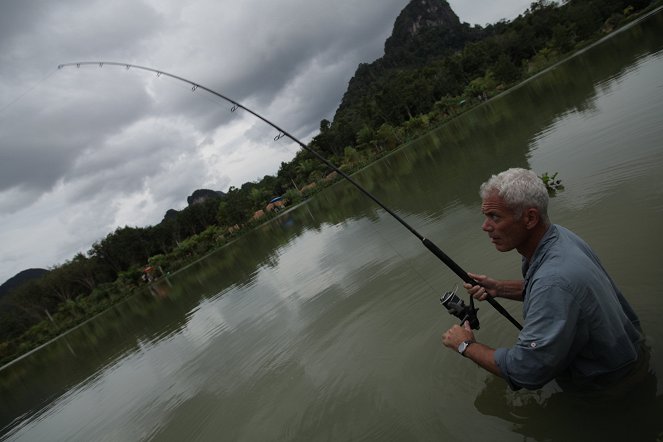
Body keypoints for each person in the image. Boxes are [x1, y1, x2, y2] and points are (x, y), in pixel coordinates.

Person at [442, 168, 644, 392]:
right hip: (629, 354)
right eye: (485, 216)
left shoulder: (553, 282)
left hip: (608, 387)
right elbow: (560, 292)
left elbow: (525, 371)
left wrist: (465, 345)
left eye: (495, 217)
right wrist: (499, 288)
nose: (485, 226)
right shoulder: (560, 237)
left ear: (530, 218)